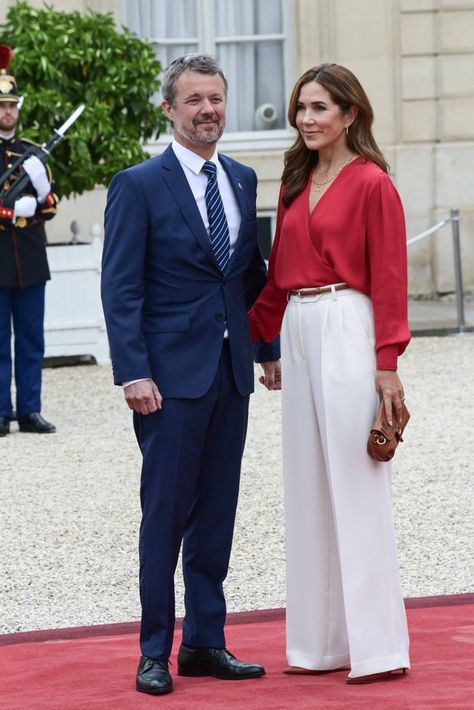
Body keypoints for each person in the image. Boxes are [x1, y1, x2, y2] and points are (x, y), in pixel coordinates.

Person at [101, 53, 280, 696]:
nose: (209, 109)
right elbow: (120, 289)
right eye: (195, 99)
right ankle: (155, 650)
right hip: (167, 382)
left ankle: (206, 642)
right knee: (166, 514)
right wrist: (133, 372)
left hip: (230, 376)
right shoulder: (139, 184)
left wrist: (267, 348)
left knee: (217, 515)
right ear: (169, 109)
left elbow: (249, 274)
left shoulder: (241, 178)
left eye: (216, 98)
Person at [248, 63, 411, 684]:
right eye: (301, 108)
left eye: (320, 108)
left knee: (356, 483)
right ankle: (319, 645)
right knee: (309, 486)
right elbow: (278, 273)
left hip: (349, 321)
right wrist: (251, 336)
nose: (307, 119)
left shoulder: (372, 183)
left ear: (350, 114)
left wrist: (387, 366)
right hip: (298, 325)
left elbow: (390, 277)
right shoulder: (295, 178)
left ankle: (378, 648)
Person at [0, 45, 57, 437]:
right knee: (0, 341)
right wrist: (10, 212)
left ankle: (30, 410)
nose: (7, 112)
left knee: (32, 339)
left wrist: (38, 192)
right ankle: (2, 411)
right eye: (1, 106)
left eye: (11, 105)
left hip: (31, 260)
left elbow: (51, 206)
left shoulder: (33, 153)